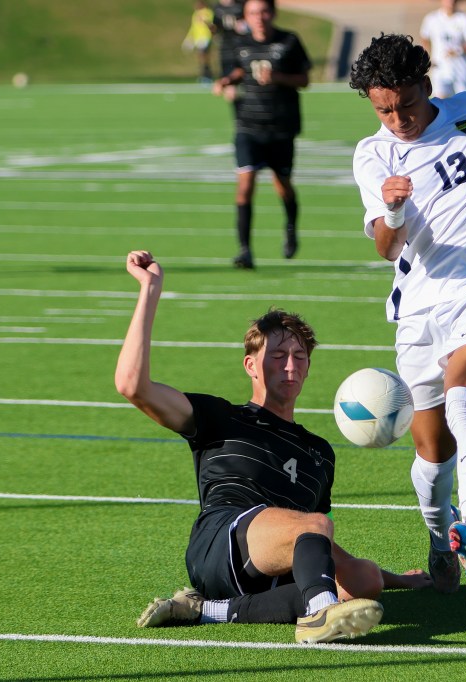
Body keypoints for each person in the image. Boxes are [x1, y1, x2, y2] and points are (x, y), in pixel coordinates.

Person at [115, 250, 431, 643]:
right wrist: (150, 288)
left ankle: (205, 610)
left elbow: (315, 543)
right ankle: (317, 616)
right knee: (316, 528)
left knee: (363, 579)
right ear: (251, 365)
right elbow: (132, 385)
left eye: (299, 357)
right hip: (220, 543)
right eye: (278, 355)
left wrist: (395, 578)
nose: (290, 366)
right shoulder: (220, 417)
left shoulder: (319, 453)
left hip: (267, 569)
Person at [348, 34, 466, 593]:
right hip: (420, 305)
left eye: (405, 103)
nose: (397, 118)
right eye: (383, 109)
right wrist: (394, 209)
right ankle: (439, 538)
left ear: (426, 86)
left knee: (463, 393)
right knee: (432, 449)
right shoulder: (372, 155)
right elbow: (385, 247)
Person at [212, 0, 310, 269]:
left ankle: (290, 228)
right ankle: (245, 250)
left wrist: (278, 77)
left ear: (273, 13)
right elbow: (238, 70)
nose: (259, 17)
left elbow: (304, 79)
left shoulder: (289, 41)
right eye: (253, 13)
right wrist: (225, 82)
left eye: (264, 11)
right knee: (245, 186)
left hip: (281, 127)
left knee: (283, 186)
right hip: (248, 125)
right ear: (245, 16)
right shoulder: (238, 43)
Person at [419, 0, 466, 99]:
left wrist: (458, 50)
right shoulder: (431, 19)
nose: (450, 3)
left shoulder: (465, 19)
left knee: (463, 102)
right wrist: (428, 57)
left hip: (461, 69)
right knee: (439, 102)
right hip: (440, 68)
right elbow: (424, 38)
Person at [211, 0, 246, 96]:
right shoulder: (217, 7)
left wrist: (242, 26)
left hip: (241, 46)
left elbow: (248, 23)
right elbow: (215, 28)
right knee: (228, 79)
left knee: (241, 75)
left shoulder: (240, 5)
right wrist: (211, 29)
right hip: (226, 46)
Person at [183, 0, 215, 83]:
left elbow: (212, 26)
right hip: (198, 39)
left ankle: (207, 75)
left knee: (204, 58)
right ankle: (204, 75)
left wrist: (206, 21)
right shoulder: (196, 14)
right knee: (200, 58)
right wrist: (189, 39)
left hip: (205, 38)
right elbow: (193, 28)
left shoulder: (208, 12)